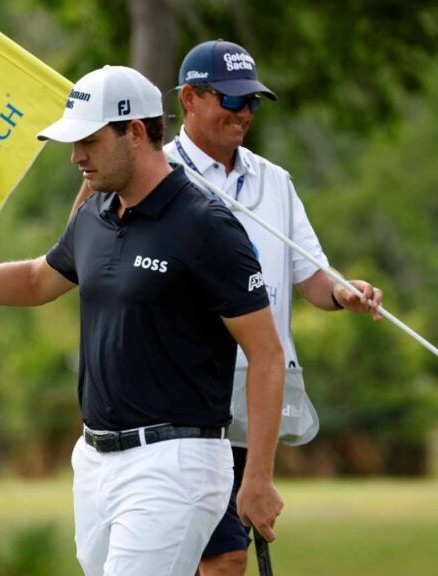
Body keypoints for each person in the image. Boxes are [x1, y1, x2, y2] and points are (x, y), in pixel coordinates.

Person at [0, 65, 285, 576]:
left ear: (135, 132)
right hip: (95, 460)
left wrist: (258, 477)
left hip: (176, 464)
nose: (75, 156)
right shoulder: (96, 214)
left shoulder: (206, 225)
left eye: (88, 140)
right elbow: (36, 280)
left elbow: (266, 353)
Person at [69, 41, 384, 576]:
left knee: (226, 555)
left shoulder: (273, 182)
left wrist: (343, 291)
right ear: (189, 98)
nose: (244, 115)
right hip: (186, 391)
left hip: (255, 392)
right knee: (220, 555)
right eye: (232, 101)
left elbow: (310, 274)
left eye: (253, 104)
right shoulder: (147, 171)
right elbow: (81, 248)